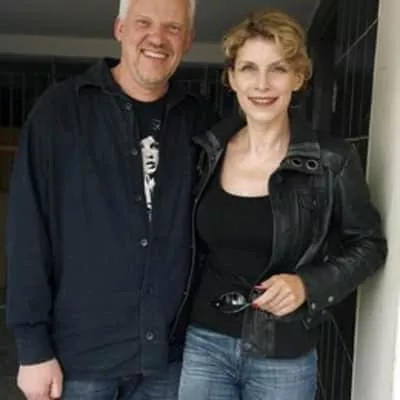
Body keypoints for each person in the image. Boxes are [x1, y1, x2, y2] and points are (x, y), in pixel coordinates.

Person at [6, 0, 219, 399]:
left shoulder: (201, 121)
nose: (157, 38)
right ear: (119, 28)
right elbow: (28, 230)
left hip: (171, 359)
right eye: (144, 23)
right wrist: (31, 346)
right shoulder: (59, 110)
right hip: (81, 359)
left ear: (189, 40)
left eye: (172, 28)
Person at [178, 9, 387, 400]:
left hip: (284, 351)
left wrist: (308, 285)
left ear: (298, 77)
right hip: (205, 341)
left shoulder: (332, 160)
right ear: (231, 78)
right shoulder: (207, 151)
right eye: (249, 68)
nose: (262, 84)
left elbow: (369, 245)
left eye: (277, 69)